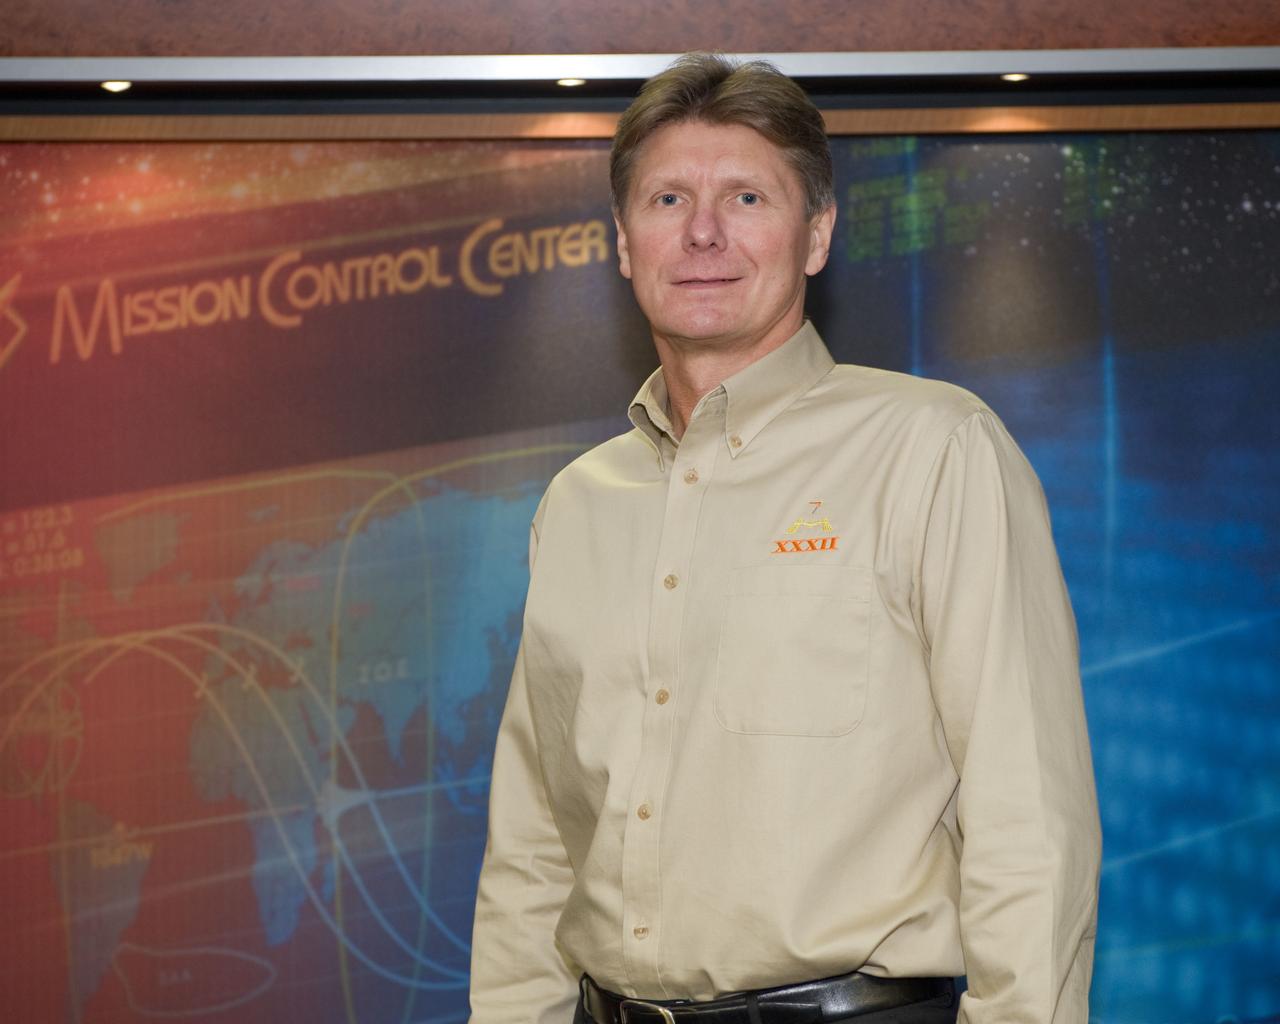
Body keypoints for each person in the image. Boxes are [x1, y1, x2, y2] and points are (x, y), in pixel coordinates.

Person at [469, 53, 1101, 1024]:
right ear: (624, 242)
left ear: (815, 234)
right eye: (667, 197)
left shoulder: (932, 448)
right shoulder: (578, 502)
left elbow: (1029, 811)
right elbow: (534, 840)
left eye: (747, 196)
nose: (703, 231)